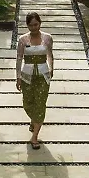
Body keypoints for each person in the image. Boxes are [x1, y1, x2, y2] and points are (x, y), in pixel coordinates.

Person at [15, 12, 55, 148]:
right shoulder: (23, 40)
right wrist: (18, 77)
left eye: (36, 24)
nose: (34, 27)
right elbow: (19, 58)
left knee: (40, 104)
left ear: (40, 23)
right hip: (27, 75)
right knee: (27, 102)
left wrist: (51, 69)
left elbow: (50, 55)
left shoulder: (48, 38)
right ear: (27, 25)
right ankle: (34, 120)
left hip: (43, 75)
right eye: (31, 25)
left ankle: (34, 137)